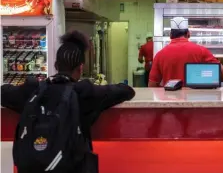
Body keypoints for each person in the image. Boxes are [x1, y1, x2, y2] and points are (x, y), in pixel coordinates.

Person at [1, 30, 135, 173]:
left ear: (56, 65)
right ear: (81, 68)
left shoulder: (33, 91)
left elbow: (3, 93)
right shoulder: (84, 93)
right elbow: (126, 91)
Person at [149, 17, 223, 87]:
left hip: (170, 102)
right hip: (194, 101)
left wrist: (166, 90)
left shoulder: (160, 55)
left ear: (170, 35)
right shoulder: (201, 51)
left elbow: (152, 85)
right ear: (188, 34)